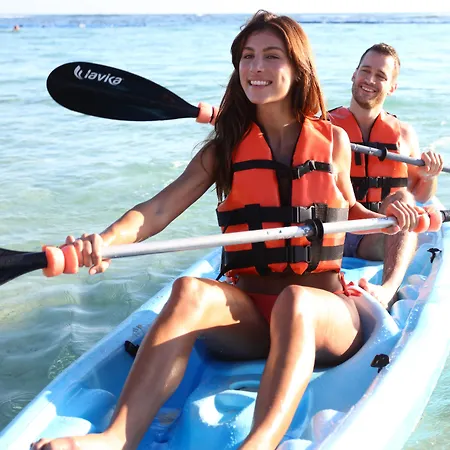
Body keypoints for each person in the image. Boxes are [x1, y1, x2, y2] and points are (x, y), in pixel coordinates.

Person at [32, 12, 422, 450]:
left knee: (295, 301)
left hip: (327, 315)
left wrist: (394, 210)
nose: (256, 67)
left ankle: (259, 443)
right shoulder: (225, 149)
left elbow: (352, 210)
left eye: (271, 56)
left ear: (298, 69)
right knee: (188, 291)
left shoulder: (333, 141)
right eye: (247, 56)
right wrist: (103, 242)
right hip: (250, 316)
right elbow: (156, 210)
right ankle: (116, 437)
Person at [328, 43, 443, 308]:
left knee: (404, 198)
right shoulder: (323, 127)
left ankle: (388, 289)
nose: (370, 80)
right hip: (330, 231)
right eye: (365, 71)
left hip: (375, 234)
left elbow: (420, 195)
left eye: (380, 76)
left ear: (392, 87)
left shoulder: (404, 135)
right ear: (354, 74)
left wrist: (429, 175)